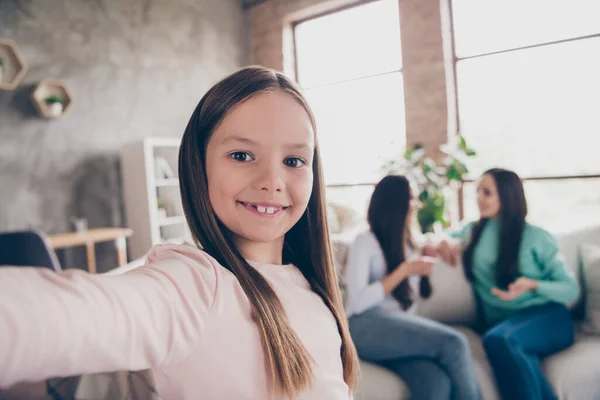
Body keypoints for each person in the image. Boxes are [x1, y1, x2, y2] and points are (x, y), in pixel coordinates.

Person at [0, 66, 359, 400]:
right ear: (197, 164)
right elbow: (46, 317)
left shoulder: (310, 286)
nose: (272, 181)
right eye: (241, 155)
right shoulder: (195, 286)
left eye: (294, 161)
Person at [436, 168, 580, 400]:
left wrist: (532, 284)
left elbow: (570, 289)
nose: (479, 199)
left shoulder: (536, 236)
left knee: (499, 339)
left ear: (507, 195)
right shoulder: (474, 230)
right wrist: (444, 241)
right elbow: (443, 236)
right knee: (512, 349)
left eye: (487, 192)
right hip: (506, 325)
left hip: (548, 318)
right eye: (478, 192)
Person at [344, 175, 481, 400]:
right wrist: (404, 271)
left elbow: (409, 302)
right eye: (411, 199)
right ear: (395, 203)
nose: (416, 205)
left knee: (435, 383)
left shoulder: (410, 242)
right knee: (454, 343)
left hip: (397, 330)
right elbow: (357, 304)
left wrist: (435, 248)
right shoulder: (365, 241)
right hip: (362, 327)